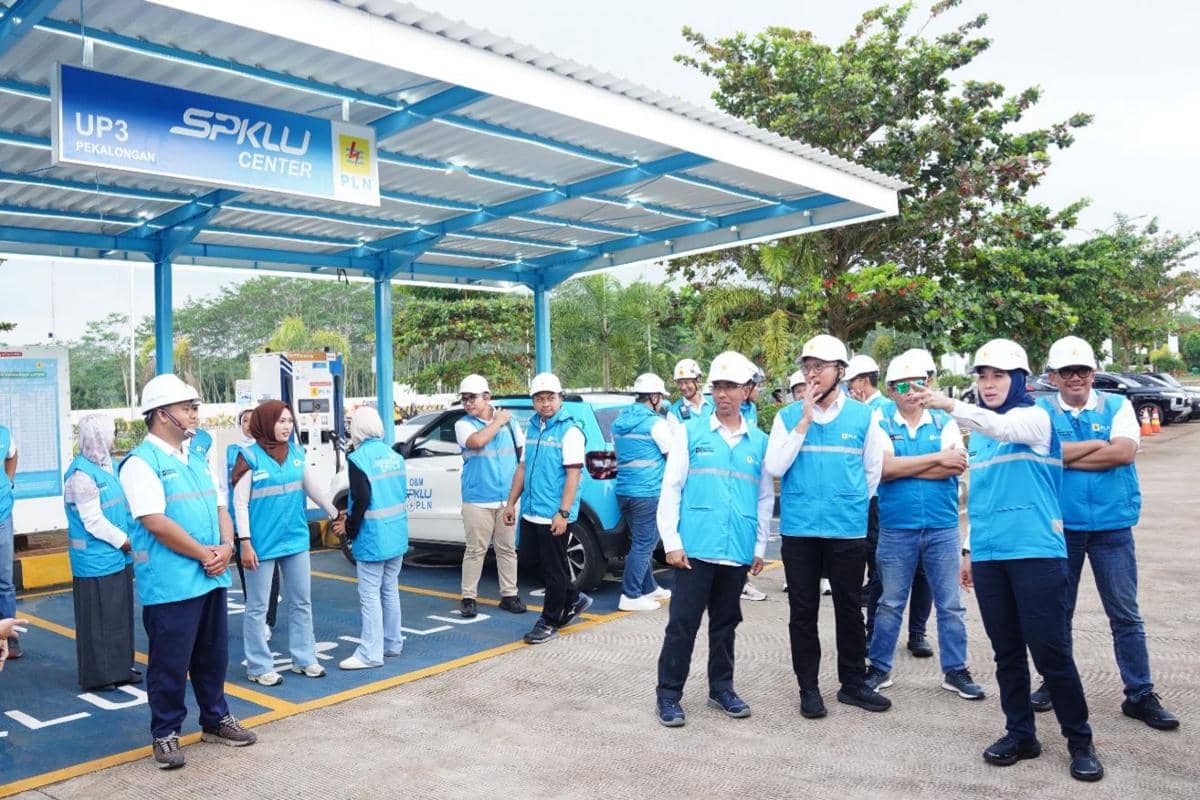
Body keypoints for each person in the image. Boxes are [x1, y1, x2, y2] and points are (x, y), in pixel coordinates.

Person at [912, 339, 1102, 782]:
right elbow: (983, 496)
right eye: (983, 376)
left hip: (1036, 553)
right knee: (1006, 653)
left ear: (1018, 380)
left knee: (1051, 653)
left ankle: (1080, 741)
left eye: (998, 375)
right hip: (991, 555)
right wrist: (969, 550)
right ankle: (1021, 734)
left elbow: (1002, 427)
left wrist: (949, 405)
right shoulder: (981, 435)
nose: (988, 383)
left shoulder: (1035, 419)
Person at [1029, 336, 1178, 730]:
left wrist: (1068, 455)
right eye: (1066, 371)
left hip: (1112, 527)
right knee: (1058, 613)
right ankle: (1053, 682)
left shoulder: (1118, 405)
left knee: (1125, 614)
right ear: (1053, 376)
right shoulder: (1040, 412)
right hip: (1061, 528)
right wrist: (1098, 445)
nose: (1075, 377)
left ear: (1093, 372)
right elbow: (1042, 457)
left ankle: (1140, 693)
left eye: (1082, 369)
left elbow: (1123, 452)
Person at [119, 374, 256, 769]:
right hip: (172, 581)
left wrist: (227, 546)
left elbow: (220, 507)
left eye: (194, 406)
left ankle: (215, 719)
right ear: (162, 414)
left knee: (213, 655)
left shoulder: (196, 457)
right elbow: (155, 521)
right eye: (187, 407)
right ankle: (165, 732)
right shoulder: (141, 463)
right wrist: (204, 554)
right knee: (170, 663)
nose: (195, 414)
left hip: (210, 575)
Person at [765, 334, 889, 719]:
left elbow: (872, 473)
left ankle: (852, 684)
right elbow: (775, 467)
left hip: (847, 530)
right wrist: (803, 420)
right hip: (800, 531)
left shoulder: (863, 417)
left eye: (819, 367)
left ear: (840, 371)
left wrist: (846, 504)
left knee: (849, 609)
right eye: (807, 367)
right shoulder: (788, 417)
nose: (812, 374)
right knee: (803, 612)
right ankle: (809, 688)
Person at [654, 352, 772, 727]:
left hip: (736, 548)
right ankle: (668, 694)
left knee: (726, 624)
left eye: (731, 387)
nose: (722, 394)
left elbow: (764, 497)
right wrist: (671, 541)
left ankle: (721, 688)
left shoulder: (759, 442)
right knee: (682, 624)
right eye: (717, 387)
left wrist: (759, 546)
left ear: (746, 391)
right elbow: (671, 487)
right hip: (695, 548)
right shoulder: (689, 433)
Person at [863, 352, 983, 701]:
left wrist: (907, 466)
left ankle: (955, 670)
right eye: (902, 386)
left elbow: (955, 466)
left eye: (917, 384)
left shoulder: (944, 421)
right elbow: (884, 469)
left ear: (928, 384)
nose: (911, 392)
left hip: (941, 528)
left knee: (951, 605)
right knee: (889, 603)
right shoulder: (880, 423)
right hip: (897, 528)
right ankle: (879, 667)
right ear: (890, 390)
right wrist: (936, 459)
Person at [231, 401, 338, 686]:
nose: (287, 426)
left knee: (302, 601)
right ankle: (258, 666)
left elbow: (314, 489)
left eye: (290, 421)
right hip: (261, 543)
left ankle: (305, 659)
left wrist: (334, 513)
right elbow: (240, 504)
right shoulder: (249, 457)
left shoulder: (296, 453)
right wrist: (245, 542)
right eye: (280, 421)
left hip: (295, 540)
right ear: (266, 423)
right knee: (257, 606)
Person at [503, 373, 591, 644]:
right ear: (533, 401)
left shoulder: (570, 431)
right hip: (531, 510)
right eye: (540, 398)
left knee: (554, 570)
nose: (545, 403)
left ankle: (549, 621)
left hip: (554, 513)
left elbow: (573, 476)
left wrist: (563, 513)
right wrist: (511, 503)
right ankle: (573, 598)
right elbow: (522, 467)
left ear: (560, 398)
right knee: (532, 562)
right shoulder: (532, 428)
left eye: (550, 398)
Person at [63, 414, 141, 692]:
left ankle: (121, 669)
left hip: (116, 557)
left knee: (118, 617)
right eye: (110, 432)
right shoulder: (80, 476)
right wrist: (125, 542)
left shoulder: (108, 466)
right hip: (95, 561)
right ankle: (100, 676)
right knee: (98, 622)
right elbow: (93, 521)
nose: (113, 437)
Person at [338, 406, 408, 670]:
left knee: (369, 594)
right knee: (389, 589)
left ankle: (370, 653)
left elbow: (362, 498)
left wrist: (350, 529)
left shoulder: (358, 459)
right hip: (396, 532)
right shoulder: (394, 456)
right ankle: (392, 643)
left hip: (373, 536)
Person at [455, 374, 526, 618]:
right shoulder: (463, 424)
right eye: (464, 399)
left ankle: (509, 595)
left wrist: (515, 495)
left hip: (507, 499)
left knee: (507, 549)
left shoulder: (510, 423)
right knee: (476, 550)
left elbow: (521, 455)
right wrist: (498, 421)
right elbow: (476, 442)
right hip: (477, 498)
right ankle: (468, 598)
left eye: (472, 398)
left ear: (487, 397)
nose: (467, 403)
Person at [612, 373, 673, 612]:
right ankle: (630, 595)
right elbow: (673, 457)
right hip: (647, 492)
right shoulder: (656, 424)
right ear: (654, 397)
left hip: (624, 491)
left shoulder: (619, 422)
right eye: (661, 397)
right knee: (645, 543)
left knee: (641, 540)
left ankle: (648, 587)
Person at [0, 423, 18, 660]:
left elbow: (12, 455)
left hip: (3, 516)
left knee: (5, 582)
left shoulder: (3, 433)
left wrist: (9, 480)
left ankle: (8, 638)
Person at [667, 358, 712, 424]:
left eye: (686, 382)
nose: (683, 387)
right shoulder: (674, 412)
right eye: (679, 383)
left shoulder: (714, 403)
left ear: (698, 379)